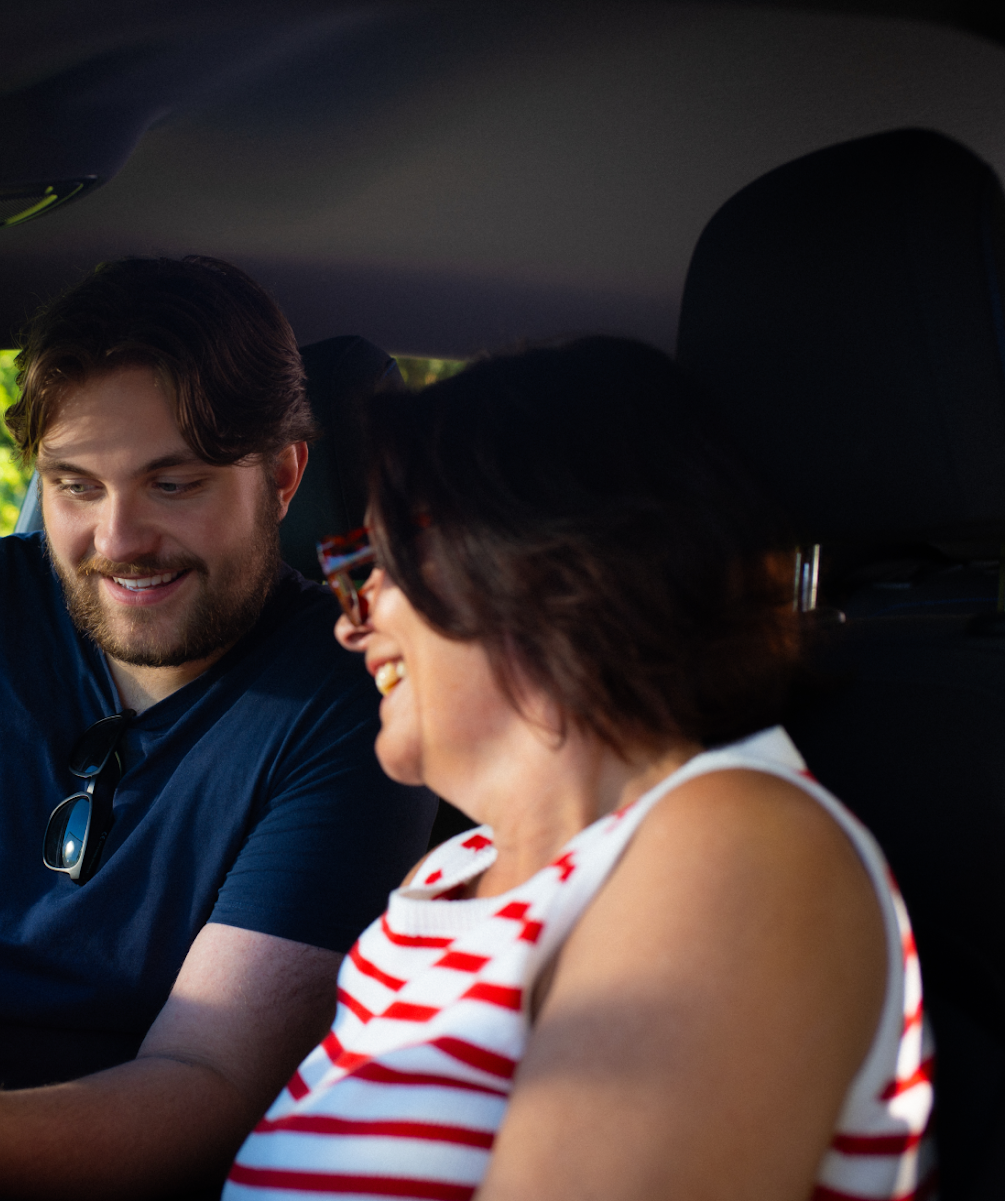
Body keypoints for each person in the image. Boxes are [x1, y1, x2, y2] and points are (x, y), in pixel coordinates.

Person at [0, 256, 438, 1195]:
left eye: (173, 485)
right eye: (75, 486)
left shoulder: (355, 698)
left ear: (284, 474)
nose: (118, 539)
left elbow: (210, 1082)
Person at [228, 338, 934, 1200]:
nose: (351, 620)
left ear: (537, 558)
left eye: (380, 565)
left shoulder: (740, 844)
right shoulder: (450, 873)